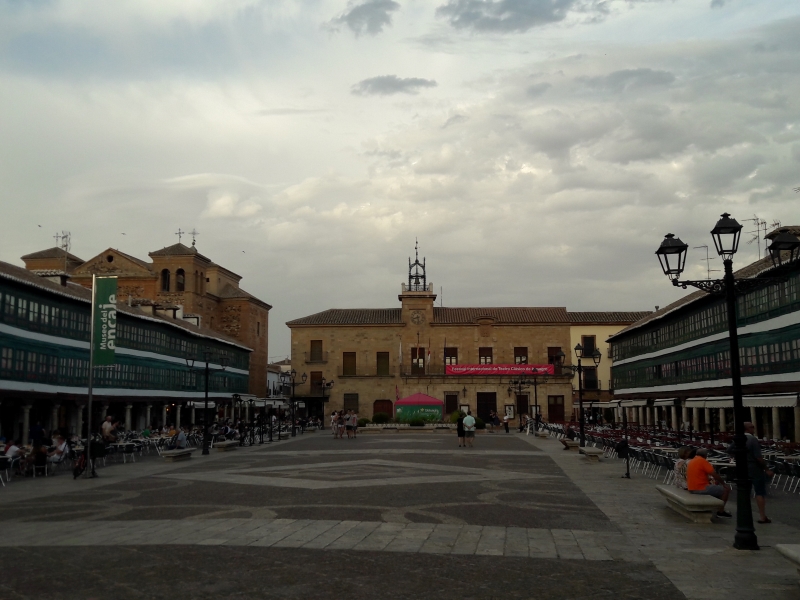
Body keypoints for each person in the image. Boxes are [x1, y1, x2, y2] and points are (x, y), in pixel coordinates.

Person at [686, 448, 732, 518]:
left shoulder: (692, 461)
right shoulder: (703, 461)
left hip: (691, 487)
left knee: (716, 489)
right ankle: (721, 511)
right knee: (725, 490)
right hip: (700, 488)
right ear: (705, 455)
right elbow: (714, 474)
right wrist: (723, 483)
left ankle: (716, 507)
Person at [744, 421, 773, 524]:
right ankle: (762, 516)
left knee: (745, 492)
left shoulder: (738, 439)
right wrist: (766, 469)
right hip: (755, 469)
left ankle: (744, 515)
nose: (754, 429)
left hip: (744, 469)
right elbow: (758, 457)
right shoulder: (752, 439)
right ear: (747, 429)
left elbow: (729, 450)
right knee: (760, 492)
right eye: (752, 427)